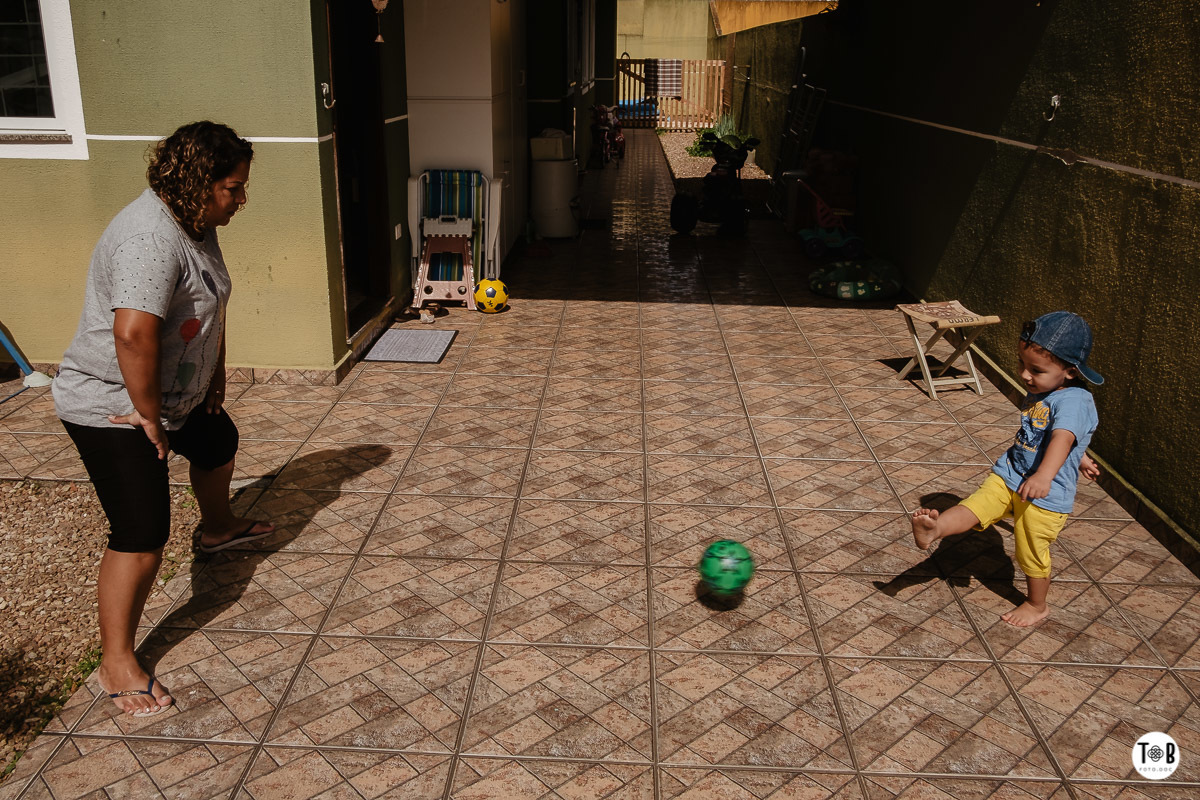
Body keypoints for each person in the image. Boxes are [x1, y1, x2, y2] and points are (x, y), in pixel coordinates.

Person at [53, 121, 275, 716]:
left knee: (216, 439)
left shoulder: (195, 221)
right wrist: (149, 417)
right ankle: (116, 660)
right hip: (115, 404)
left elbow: (211, 299)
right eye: (233, 188)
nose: (241, 198)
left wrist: (213, 372)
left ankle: (217, 528)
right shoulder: (149, 236)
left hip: (171, 397)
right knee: (142, 532)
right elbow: (132, 332)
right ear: (199, 183)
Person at [911, 311, 1103, 627]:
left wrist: (1044, 475)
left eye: (1036, 370)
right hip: (1010, 473)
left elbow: (1063, 436)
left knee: (1030, 552)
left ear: (1069, 371)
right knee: (975, 505)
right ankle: (936, 530)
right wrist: (1080, 456)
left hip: (1045, 495)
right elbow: (1061, 438)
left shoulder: (1075, 401)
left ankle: (1037, 604)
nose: (1026, 375)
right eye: (1022, 365)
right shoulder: (1045, 388)